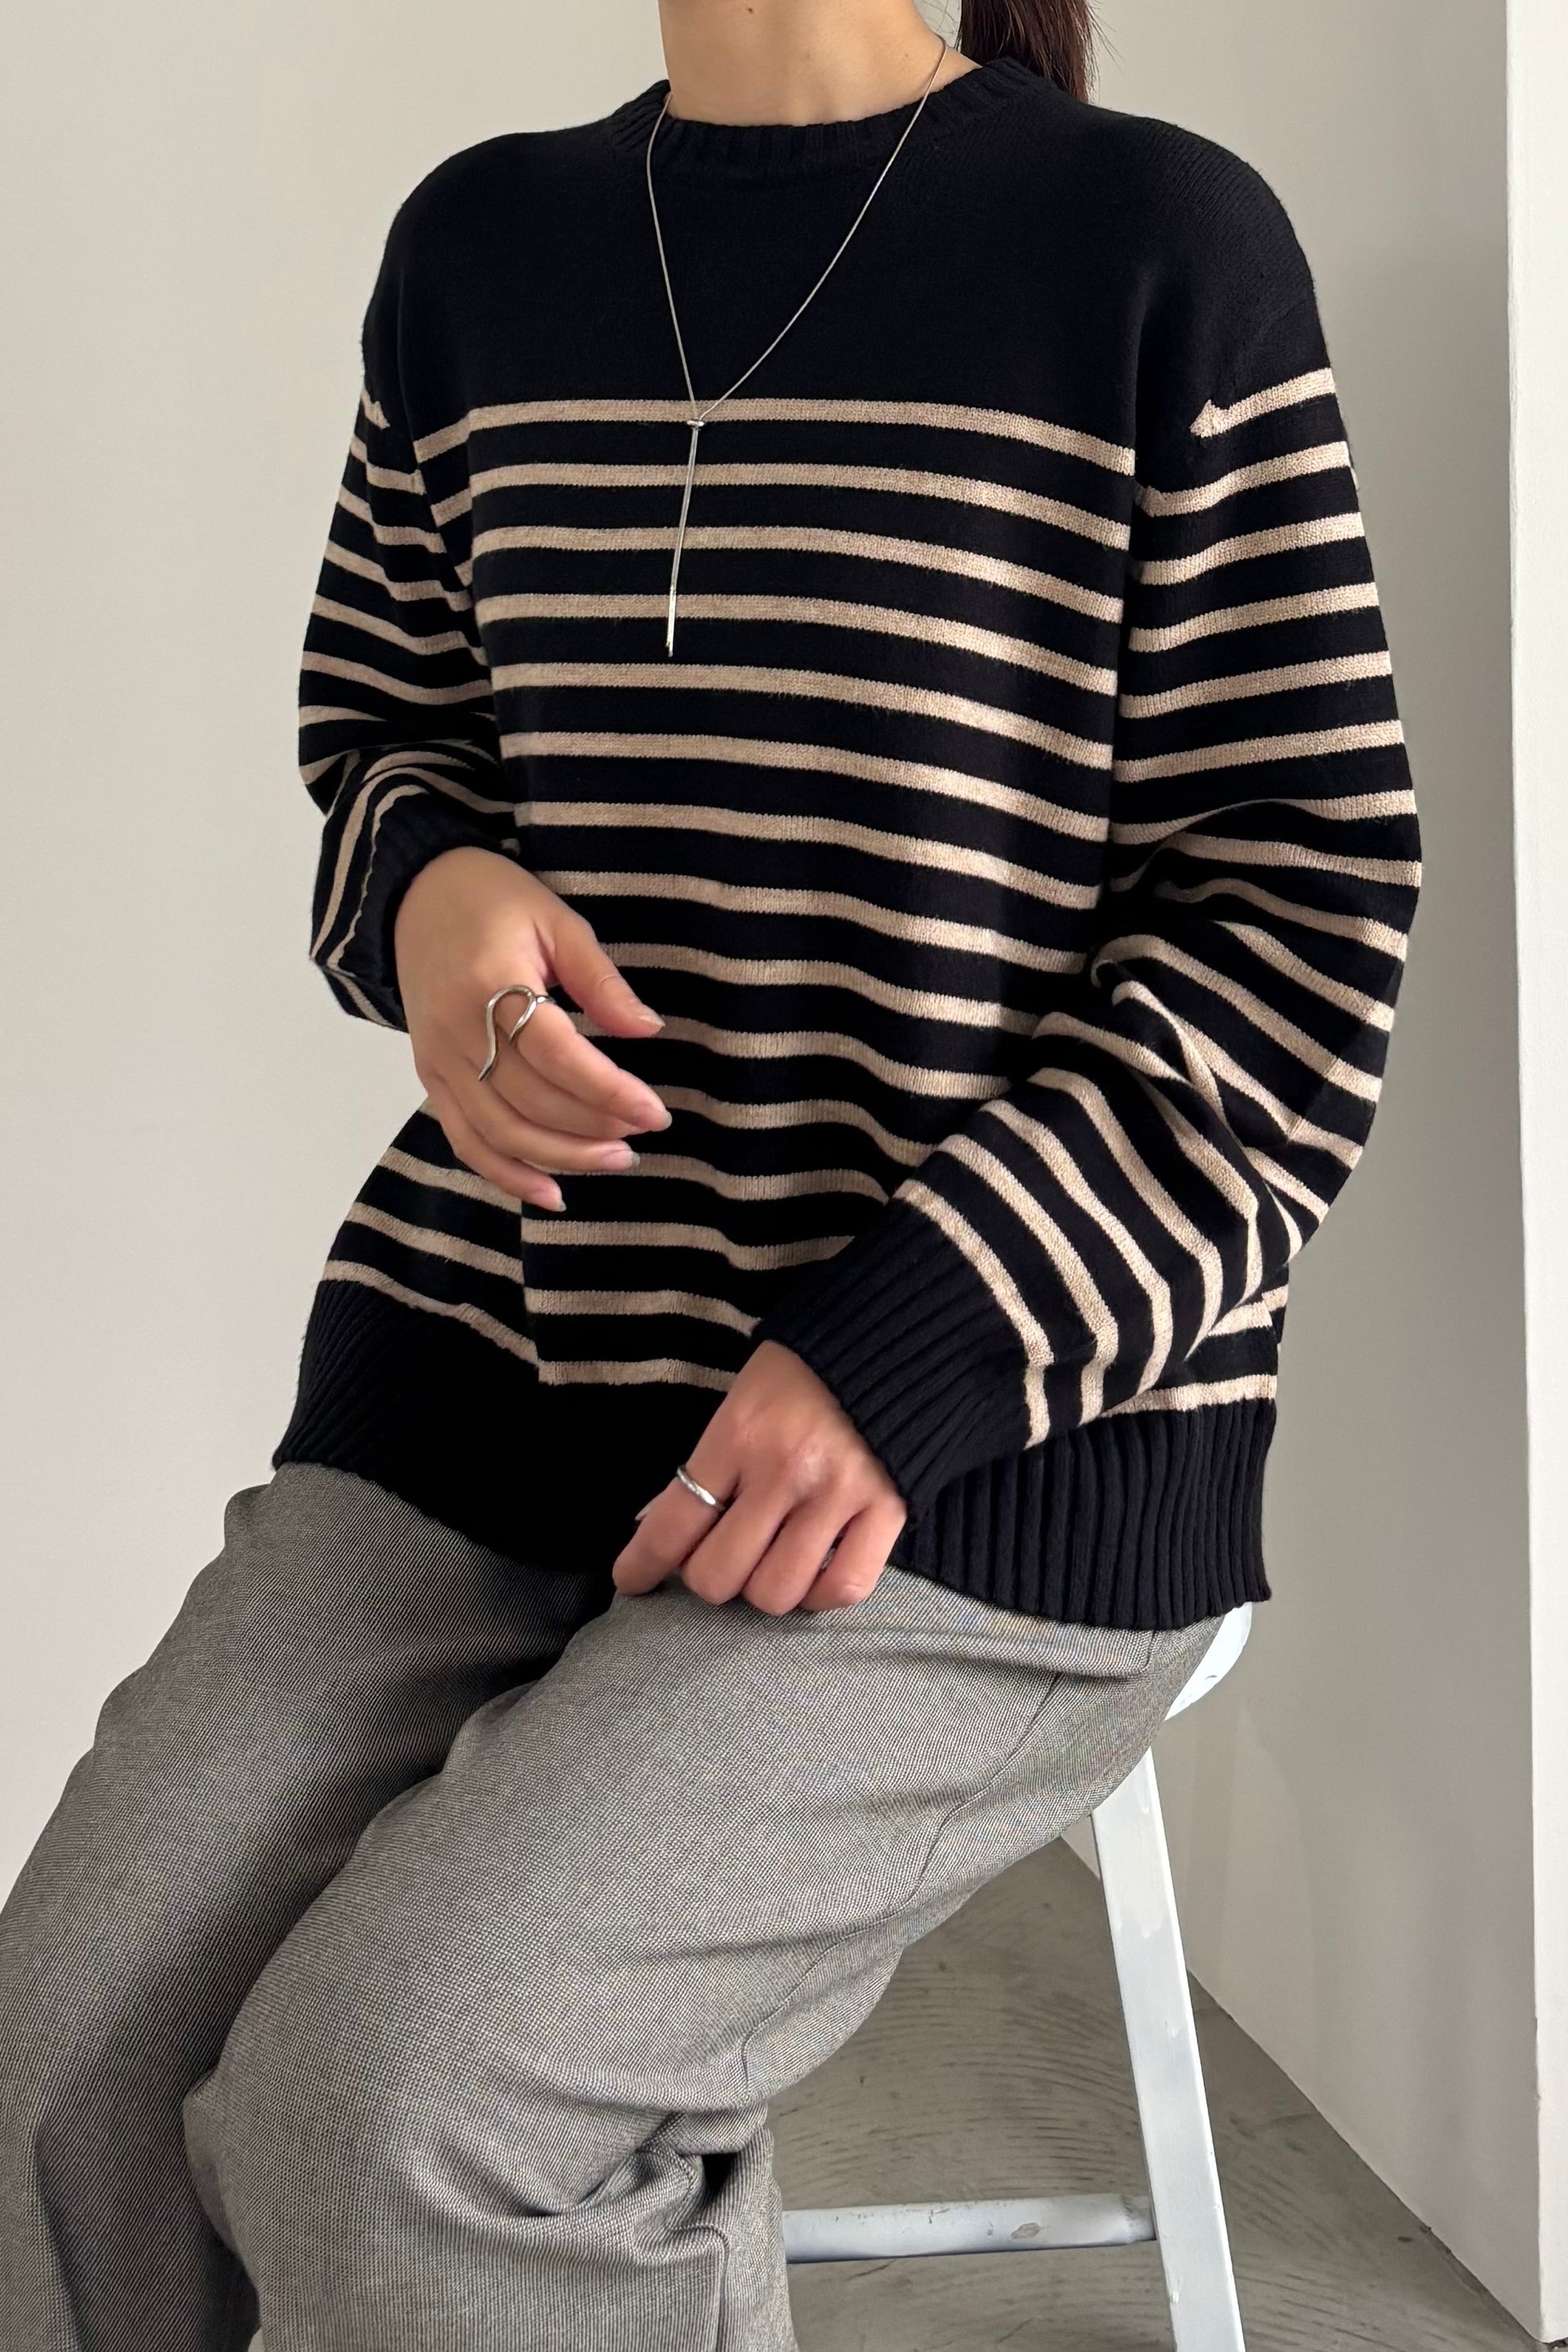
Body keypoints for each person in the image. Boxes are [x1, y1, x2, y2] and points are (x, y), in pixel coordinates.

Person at [0, 0, 1422, 2343]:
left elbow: (1297, 924)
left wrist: (901, 1357)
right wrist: (434, 895)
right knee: (56, 2054)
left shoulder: (1153, 246)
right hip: (494, 1387)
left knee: (399, 2109)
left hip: (981, 1452)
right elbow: (385, 747)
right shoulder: (480, 249)